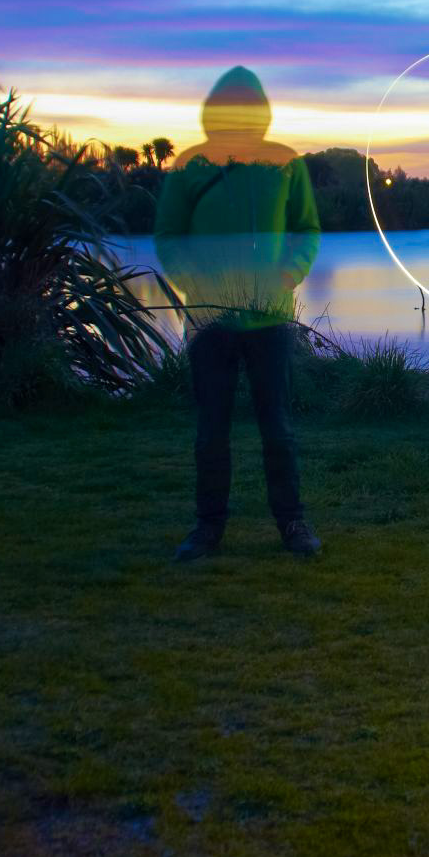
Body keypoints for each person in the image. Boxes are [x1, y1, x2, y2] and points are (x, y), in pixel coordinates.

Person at [154, 66, 323, 561]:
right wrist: (196, 284)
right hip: (209, 322)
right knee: (211, 430)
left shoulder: (285, 164)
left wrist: (288, 275)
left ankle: (292, 524)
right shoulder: (190, 166)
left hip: (269, 319)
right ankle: (208, 528)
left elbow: (306, 230)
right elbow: (168, 235)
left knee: (279, 427)